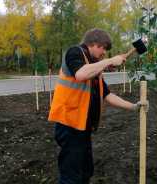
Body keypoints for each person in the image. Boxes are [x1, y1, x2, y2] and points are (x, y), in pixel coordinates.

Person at [48, 28, 147, 184]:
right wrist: (108, 62)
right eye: (103, 49)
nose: (104, 54)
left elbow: (107, 95)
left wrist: (134, 106)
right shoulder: (74, 52)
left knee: (86, 171)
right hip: (69, 125)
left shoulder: (93, 69)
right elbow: (80, 74)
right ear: (95, 44)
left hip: (83, 127)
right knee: (71, 176)